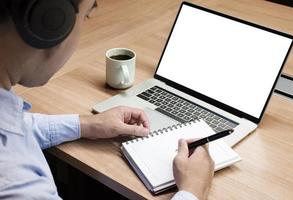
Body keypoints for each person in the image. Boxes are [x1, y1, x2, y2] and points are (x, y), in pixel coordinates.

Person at [0, 0, 214, 199]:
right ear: (49, 23)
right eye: (85, 17)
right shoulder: (17, 182)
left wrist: (86, 124)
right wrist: (193, 191)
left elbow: (15, 128)